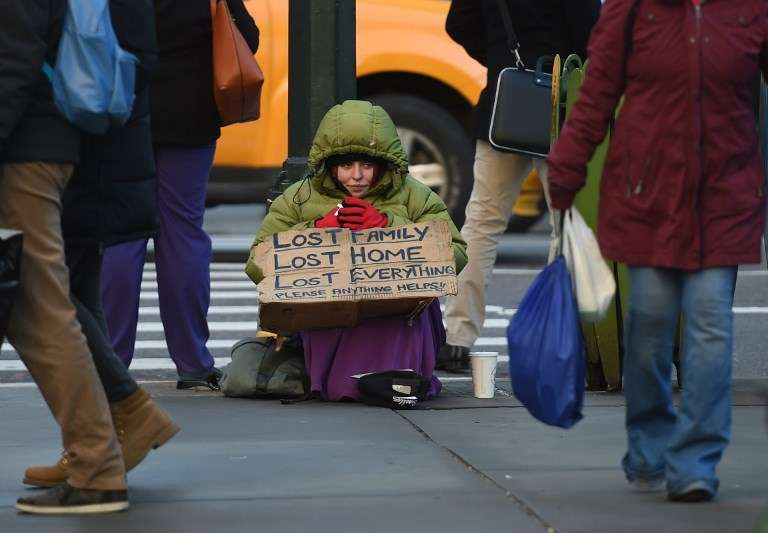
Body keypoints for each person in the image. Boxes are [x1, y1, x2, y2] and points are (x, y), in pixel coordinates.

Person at [547, 0, 768, 502]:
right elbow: (595, 97)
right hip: (646, 194)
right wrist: (566, 172)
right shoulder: (631, 10)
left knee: (710, 324)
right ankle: (648, 444)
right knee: (649, 324)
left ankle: (696, 462)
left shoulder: (751, 8)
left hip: (724, 193)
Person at [21, 0, 180, 489]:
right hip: (101, 137)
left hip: (80, 136)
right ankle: (99, 439)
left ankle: (123, 415)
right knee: (75, 288)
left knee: (46, 294)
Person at [246, 100, 468, 401]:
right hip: (330, 313)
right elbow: (258, 260)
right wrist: (317, 229)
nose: (357, 176)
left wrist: (388, 226)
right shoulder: (298, 197)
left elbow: (454, 254)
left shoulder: (415, 194)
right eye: (346, 166)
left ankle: (401, 378)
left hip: (398, 312)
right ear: (330, 165)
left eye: (367, 165)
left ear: (383, 165)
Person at [0, 1, 127, 514]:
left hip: (23, 153)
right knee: (41, 309)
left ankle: (98, 465)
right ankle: (103, 454)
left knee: (42, 312)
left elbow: (12, 59)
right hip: (32, 144)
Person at [99, 0, 259, 390]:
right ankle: (193, 363)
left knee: (121, 235)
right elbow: (246, 38)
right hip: (190, 114)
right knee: (183, 234)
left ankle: (111, 361)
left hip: (122, 110)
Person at [439, 0, 601, 372]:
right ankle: (556, 336)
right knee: (566, 226)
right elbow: (592, 37)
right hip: (560, 107)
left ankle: (456, 336)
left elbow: (458, 24)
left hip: (505, 99)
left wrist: (503, 60)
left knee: (481, 222)